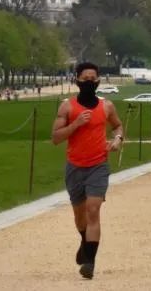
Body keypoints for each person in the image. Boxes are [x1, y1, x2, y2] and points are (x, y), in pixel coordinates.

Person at [51, 61, 124, 280]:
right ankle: (84, 241)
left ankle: (90, 263)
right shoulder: (67, 107)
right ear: (77, 80)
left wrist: (117, 139)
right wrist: (75, 125)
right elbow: (55, 138)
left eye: (93, 79)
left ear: (99, 81)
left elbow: (118, 126)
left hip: (98, 165)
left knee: (93, 209)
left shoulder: (107, 106)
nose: (90, 82)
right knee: (80, 215)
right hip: (75, 166)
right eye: (86, 79)